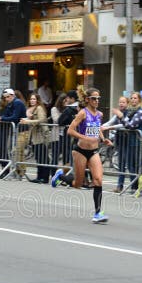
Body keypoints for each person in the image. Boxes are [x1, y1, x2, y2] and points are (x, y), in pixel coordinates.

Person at [51, 88, 112, 223]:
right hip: (80, 150)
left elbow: (97, 128)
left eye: (98, 99)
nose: (96, 101)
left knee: (98, 180)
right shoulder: (82, 114)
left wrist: (103, 139)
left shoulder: (100, 114)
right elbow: (70, 131)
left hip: (94, 151)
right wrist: (85, 137)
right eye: (94, 99)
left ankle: (98, 213)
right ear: (87, 100)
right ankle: (60, 176)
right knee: (77, 184)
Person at [20, 93, 51, 182]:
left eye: (34, 99)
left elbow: (42, 120)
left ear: (37, 100)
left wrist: (28, 121)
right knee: (38, 157)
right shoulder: (30, 109)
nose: (32, 101)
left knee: (43, 157)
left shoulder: (39, 108)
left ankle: (44, 178)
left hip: (40, 136)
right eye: (31, 99)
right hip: (33, 136)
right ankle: (39, 176)